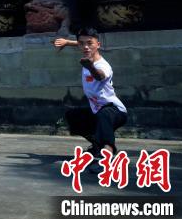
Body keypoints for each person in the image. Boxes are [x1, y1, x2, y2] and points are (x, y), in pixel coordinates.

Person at [54, 27, 128, 166]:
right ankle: (96, 145)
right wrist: (67, 42)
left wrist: (91, 67)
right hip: (98, 111)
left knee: (104, 114)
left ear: (98, 45)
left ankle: (107, 153)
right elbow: (84, 44)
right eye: (82, 44)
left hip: (115, 111)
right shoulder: (86, 50)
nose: (86, 47)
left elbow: (100, 76)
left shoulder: (103, 65)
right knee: (73, 116)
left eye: (89, 43)